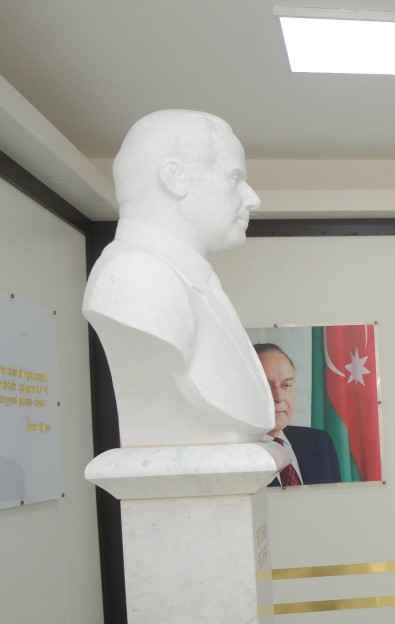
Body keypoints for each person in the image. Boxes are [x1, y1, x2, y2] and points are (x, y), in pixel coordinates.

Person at [83, 109, 273, 446]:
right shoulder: (136, 278)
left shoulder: (194, 281)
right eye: (234, 178)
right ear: (175, 178)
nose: (252, 198)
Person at [254, 343, 340, 486]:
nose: (279, 397)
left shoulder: (320, 443)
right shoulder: (234, 455)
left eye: (286, 385)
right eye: (266, 386)